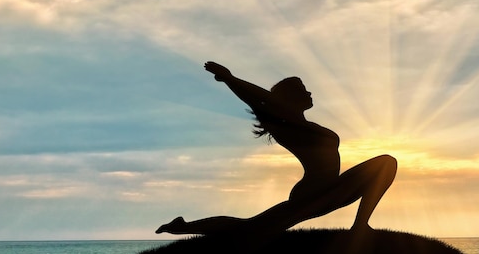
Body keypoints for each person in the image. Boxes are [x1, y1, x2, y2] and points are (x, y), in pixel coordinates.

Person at [156, 61, 397, 236]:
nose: (310, 92)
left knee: (385, 163)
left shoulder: (302, 124)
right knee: (250, 227)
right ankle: (184, 227)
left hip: (330, 189)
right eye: (303, 89)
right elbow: (260, 100)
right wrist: (230, 79)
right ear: (290, 98)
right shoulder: (289, 125)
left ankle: (360, 226)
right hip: (312, 193)